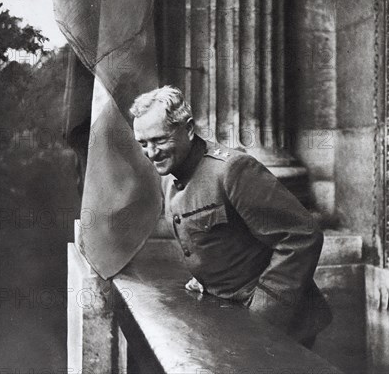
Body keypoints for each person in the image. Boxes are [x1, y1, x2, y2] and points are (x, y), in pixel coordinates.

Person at [130, 86, 332, 348]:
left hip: (281, 324)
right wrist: (207, 278)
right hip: (229, 319)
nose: (151, 153)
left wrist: (260, 315)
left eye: (159, 140)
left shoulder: (232, 170)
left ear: (188, 129)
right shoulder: (169, 179)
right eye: (143, 144)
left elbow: (302, 236)